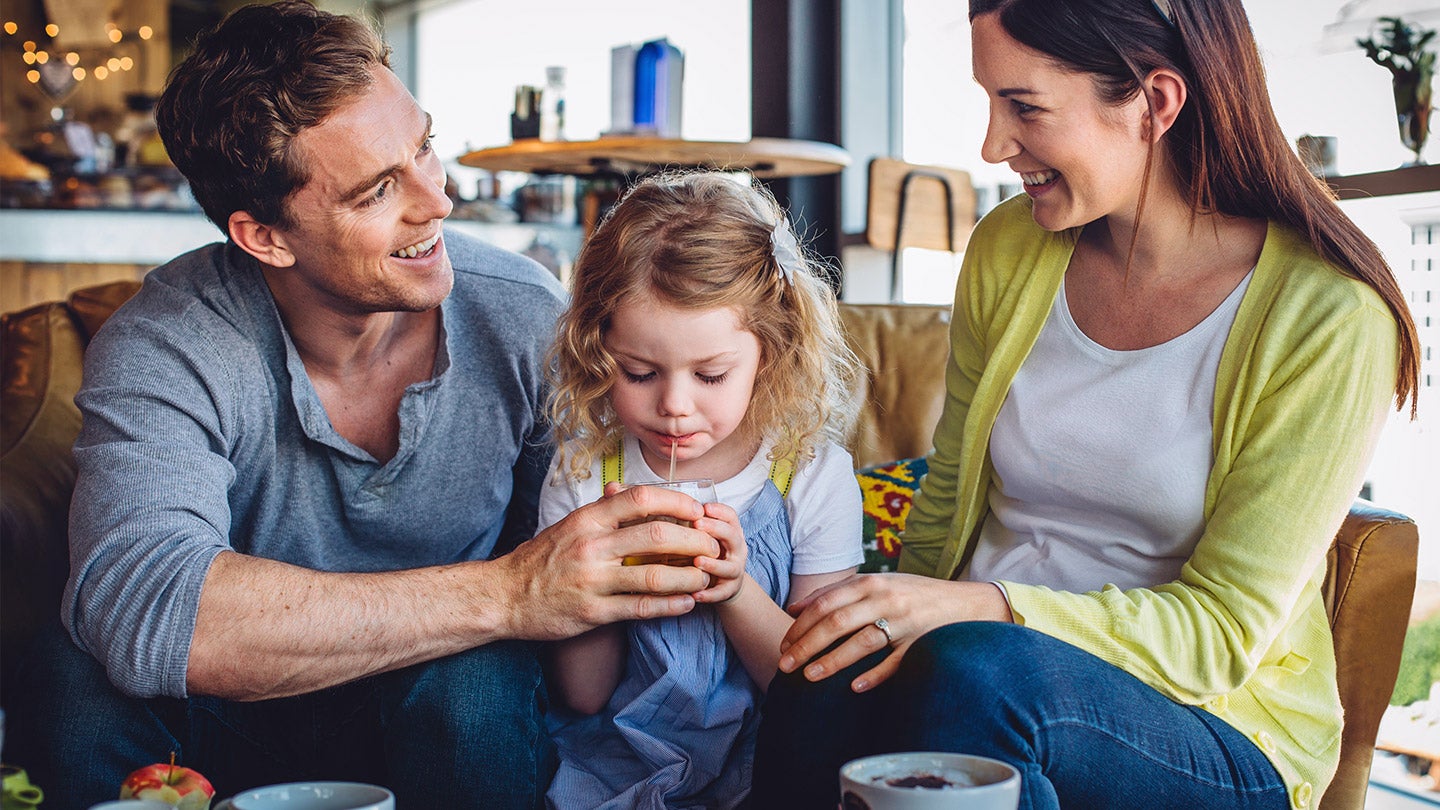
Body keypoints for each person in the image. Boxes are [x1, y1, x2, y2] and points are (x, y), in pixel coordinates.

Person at [4, 3, 727, 808]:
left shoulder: (521, 315)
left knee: (478, 678)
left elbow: (596, 532)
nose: (437, 202)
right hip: (220, 725)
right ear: (265, 236)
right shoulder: (167, 343)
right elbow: (152, 609)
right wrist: (510, 592)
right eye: (379, 189)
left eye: (423, 147)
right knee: (72, 679)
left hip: (442, 713)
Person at [752, 0, 1423, 808]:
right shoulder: (1009, 248)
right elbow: (946, 499)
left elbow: (1218, 638)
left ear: (1156, 103)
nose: (993, 145)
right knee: (822, 666)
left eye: (1024, 106)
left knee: (976, 677)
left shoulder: (1329, 319)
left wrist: (983, 609)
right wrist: (889, 621)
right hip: (977, 673)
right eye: (990, 102)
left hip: (1209, 731)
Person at [539, 172, 865, 809]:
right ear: (599, 349)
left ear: (768, 354)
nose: (674, 407)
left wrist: (734, 589)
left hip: (770, 768)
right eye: (639, 372)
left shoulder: (811, 476)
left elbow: (811, 687)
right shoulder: (583, 474)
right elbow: (582, 694)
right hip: (614, 771)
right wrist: (604, 575)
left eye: (711, 375)